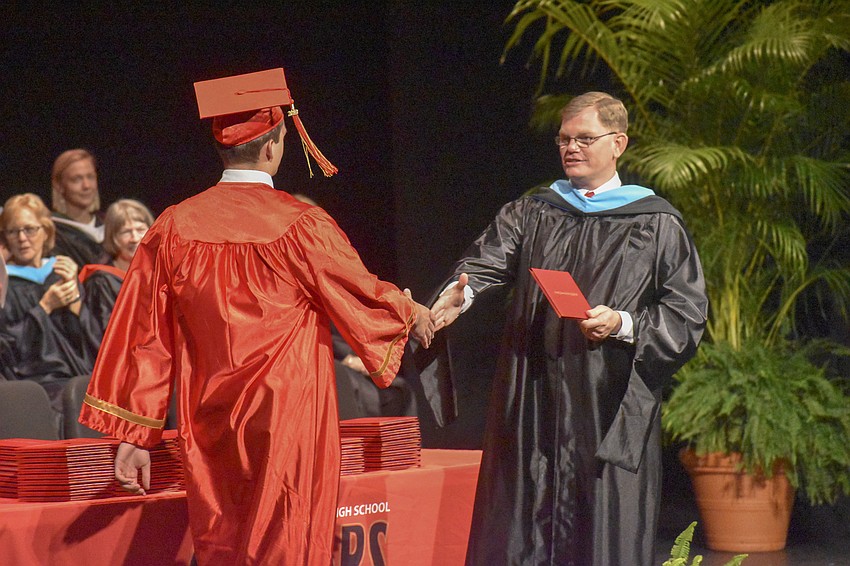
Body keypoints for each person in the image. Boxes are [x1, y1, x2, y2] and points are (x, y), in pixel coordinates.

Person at [79, 67, 434, 565]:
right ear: (274, 145)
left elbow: (144, 336)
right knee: (289, 543)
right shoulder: (302, 225)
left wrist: (134, 436)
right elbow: (364, 295)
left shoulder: (172, 227)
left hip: (208, 421)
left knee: (223, 541)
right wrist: (417, 313)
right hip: (287, 419)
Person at [430, 92, 709, 565]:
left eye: (584, 138)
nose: (570, 148)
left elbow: (686, 313)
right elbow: (487, 261)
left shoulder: (656, 222)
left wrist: (622, 323)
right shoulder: (534, 211)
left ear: (618, 142)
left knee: (600, 531)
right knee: (522, 522)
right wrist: (464, 291)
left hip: (606, 400)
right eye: (563, 139)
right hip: (532, 398)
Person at [0, 194, 97, 411]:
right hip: (37, 384)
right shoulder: (5, 283)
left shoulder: (61, 273)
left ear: (45, 231)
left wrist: (75, 301)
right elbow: (7, 348)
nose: (22, 238)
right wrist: (45, 307)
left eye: (30, 229)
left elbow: (93, 340)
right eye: (13, 231)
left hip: (80, 374)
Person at [79, 198, 155, 344]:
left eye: (140, 230)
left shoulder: (160, 275)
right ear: (113, 238)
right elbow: (106, 335)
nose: (135, 238)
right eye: (126, 232)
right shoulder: (102, 282)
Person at [50, 149, 111, 266]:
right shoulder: (53, 233)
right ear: (59, 185)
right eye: (76, 179)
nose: (86, 185)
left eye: (91, 177)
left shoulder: (108, 226)